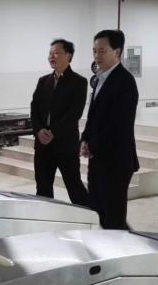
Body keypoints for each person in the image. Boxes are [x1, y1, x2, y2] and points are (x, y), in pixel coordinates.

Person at [80, 29, 139, 229]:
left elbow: (119, 124)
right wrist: (85, 139)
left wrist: (93, 145)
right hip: (98, 158)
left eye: (102, 51)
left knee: (114, 217)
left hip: (116, 160)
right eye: (94, 51)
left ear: (117, 52)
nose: (97, 56)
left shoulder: (125, 81)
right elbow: (93, 115)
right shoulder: (100, 78)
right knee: (99, 212)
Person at [30, 39, 89, 206]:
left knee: (74, 186)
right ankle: (46, 219)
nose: (51, 56)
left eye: (56, 53)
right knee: (43, 188)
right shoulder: (43, 81)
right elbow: (34, 108)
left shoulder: (79, 82)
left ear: (68, 56)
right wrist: (39, 130)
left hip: (65, 144)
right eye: (50, 53)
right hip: (42, 145)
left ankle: (90, 216)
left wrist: (53, 132)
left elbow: (74, 114)